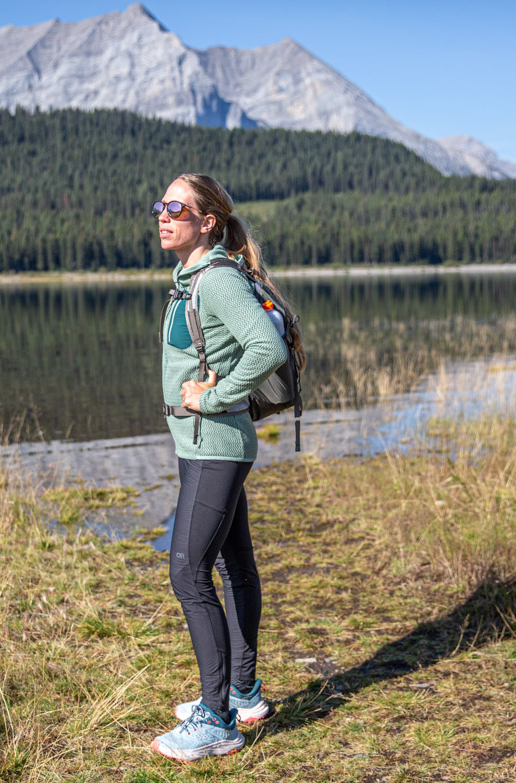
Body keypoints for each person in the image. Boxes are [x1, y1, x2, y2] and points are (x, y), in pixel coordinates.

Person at [150, 173, 305, 762]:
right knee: (234, 565)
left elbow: (264, 347)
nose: (162, 216)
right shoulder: (193, 278)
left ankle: (215, 718)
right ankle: (244, 694)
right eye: (159, 206)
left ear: (207, 220)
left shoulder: (214, 280)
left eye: (175, 208)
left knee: (189, 573)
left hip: (215, 443)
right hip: (203, 445)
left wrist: (213, 399)